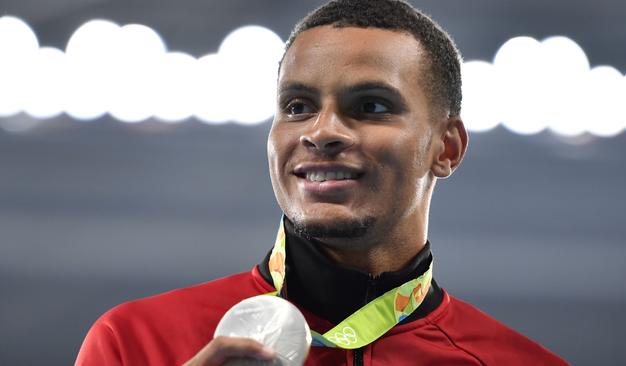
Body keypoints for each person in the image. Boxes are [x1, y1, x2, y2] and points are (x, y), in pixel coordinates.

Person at [76, 0, 569, 365]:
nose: (321, 131)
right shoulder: (135, 341)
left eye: (371, 106)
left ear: (447, 147)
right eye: (298, 107)